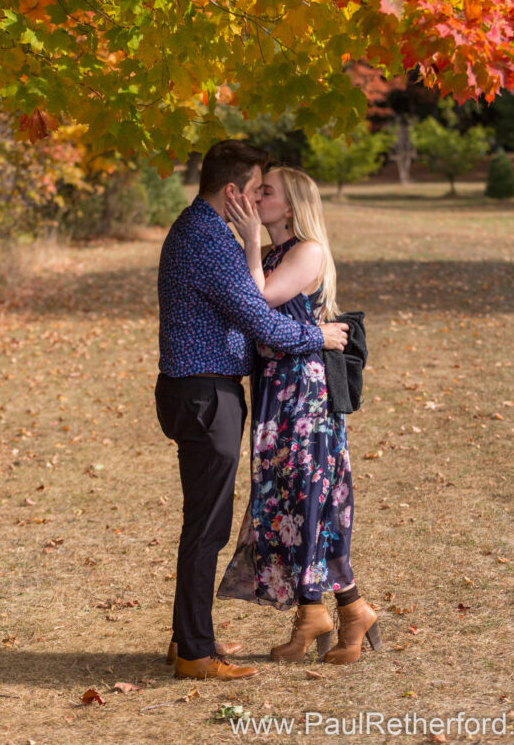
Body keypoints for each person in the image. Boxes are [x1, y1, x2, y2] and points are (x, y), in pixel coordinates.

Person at [155, 140, 349, 681]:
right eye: (256, 187)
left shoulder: (199, 228)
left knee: (203, 523)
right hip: (205, 395)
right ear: (234, 191)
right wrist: (319, 337)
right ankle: (196, 652)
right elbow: (262, 321)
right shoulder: (210, 239)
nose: (260, 197)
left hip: (197, 391)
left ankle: (187, 637)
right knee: (207, 529)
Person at [217, 165, 381, 664]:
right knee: (289, 499)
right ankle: (328, 611)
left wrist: (249, 241)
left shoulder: (307, 250)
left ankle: (338, 611)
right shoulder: (275, 253)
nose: (255, 198)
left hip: (304, 395)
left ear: (290, 207)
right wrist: (254, 246)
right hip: (275, 387)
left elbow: (258, 302)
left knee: (310, 498)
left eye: (266, 192)